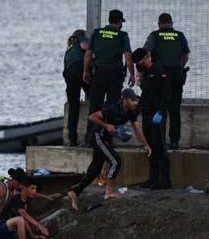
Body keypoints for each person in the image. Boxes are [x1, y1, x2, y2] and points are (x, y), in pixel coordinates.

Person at [67, 89, 145, 210]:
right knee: (115, 160)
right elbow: (92, 117)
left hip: (106, 139)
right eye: (132, 100)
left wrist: (146, 145)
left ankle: (75, 192)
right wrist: (106, 125)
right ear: (124, 99)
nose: (135, 103)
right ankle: (109, 192)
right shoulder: (113, 109)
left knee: (96, 169)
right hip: (98, 136)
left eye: (136, 100)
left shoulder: (131, 112)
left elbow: (137, 129)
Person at [84, 9, 135, 142]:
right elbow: (128, 56)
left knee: (95, 105)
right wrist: (132, 74)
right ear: (119, 22)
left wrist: (86, 71)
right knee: (112, 107)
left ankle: (90, 138)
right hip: (115, 75)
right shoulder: (122, 35)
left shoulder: (97, 33)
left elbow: (88, 54)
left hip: (99, 73)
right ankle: (107, 139)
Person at [143, 13, 189, 149]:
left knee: (160, 108)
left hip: (160, 76)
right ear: (172, 23)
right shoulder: (180, 35)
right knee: (174, 109)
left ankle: (160, 140)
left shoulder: (155, 36)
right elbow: (186, 56)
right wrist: (179, 66)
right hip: (176, 75)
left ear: (159, 24)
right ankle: (174, 141)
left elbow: (147, 53)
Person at [131, 48, 169, 189]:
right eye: (136, 62)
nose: (138, 64)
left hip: (157, 115)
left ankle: (165, 180)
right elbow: (146, 94)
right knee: (150, 148)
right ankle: (152, 179)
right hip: (147, 114)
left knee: (160, 148)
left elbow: (166, 95)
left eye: (139, 61)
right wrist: (138, 109)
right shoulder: (145, 74)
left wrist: (161, 112)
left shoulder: (160, 72)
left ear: (147, 57)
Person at [63, 29, 91, 146]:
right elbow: (85, 46)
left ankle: (72, 138)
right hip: (80, 70)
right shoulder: (82, 38)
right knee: (94, 100)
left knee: (73, 106)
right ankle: (89, 137)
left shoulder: (69, 49)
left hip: (69, 74)